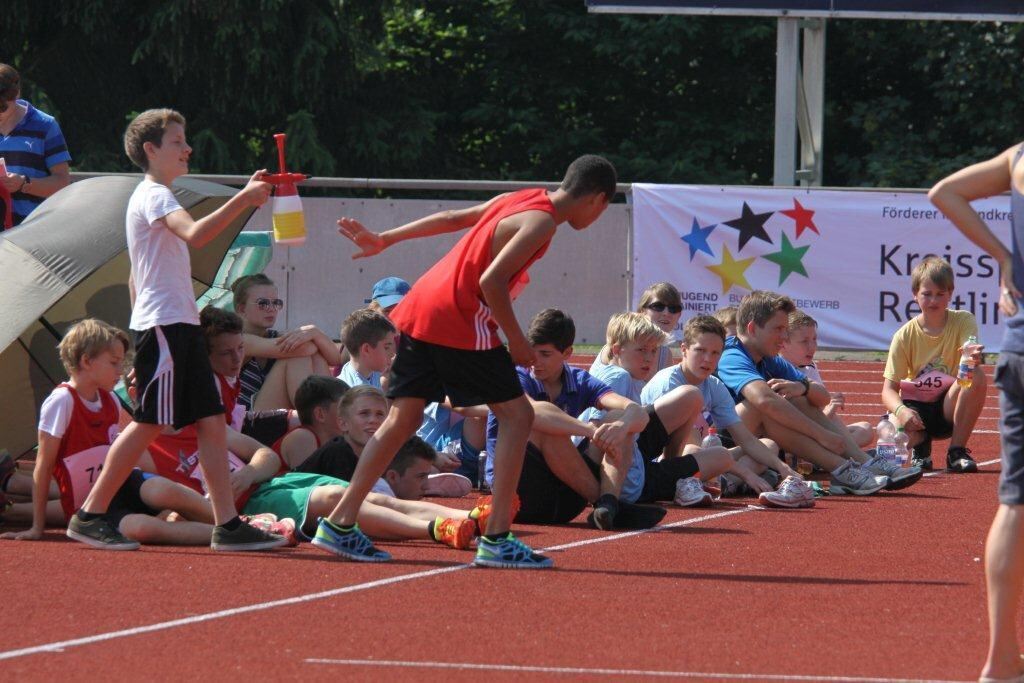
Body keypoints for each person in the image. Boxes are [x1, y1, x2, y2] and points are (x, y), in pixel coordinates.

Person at [313, 154, 617, 567]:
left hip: (422, 306)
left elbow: (457, 216)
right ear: (597, 200)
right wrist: (516, 342)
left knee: (401, 420)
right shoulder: (543, 221)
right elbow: (492, 281)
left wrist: (386, 238)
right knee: (517, 416)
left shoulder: (522, 198)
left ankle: (340, 523)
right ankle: (497, 539)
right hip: (457, 316)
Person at [68, 108, 283, 551]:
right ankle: (89, 515)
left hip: (173, 326)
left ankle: (227, 524)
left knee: (211, 423)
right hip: (166, 327)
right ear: (150, 150)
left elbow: (135, 277)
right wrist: (245, 197)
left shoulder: (154, 198)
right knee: (149, 423)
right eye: (176, 141)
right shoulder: (156, 196)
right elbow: (198, 235)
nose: (187, 148)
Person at [0, 319, 232, 546]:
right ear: (87, 361)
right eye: (114, 363)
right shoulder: (61, 402)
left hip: (122, 484)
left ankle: (234, 524)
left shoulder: (110, 400)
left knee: (165, 490)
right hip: (89, 504)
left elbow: (128, 454)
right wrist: (36, 527)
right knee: (140, 528)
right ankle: (220, 533)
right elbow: (44, 466)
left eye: (121, 362)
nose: (120, 370)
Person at [928, 148, 1024, 681]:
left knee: (1015, 502)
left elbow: (945, 193)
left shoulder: (1019, 157)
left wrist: (1006, 258)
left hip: (1020, 349)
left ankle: (1002, 659)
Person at [716, 290, 922, 494]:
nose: (784, 336)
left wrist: (803, 387)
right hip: (720, 440)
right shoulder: (731, 354)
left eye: (785, 329)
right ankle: (842, 468)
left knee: (797, 395)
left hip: (758, 440)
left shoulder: (768, 357)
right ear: (752, 328)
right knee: (764, 405)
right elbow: (764, 400)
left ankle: (863, 462)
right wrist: (821, 435)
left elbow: (823, 397)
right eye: (778, 329)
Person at [483, 308, 661, 529]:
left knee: (618, 419)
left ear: (567, 353)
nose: (534, 361)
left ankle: (608, 506)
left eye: (545, 354)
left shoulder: (579, 380)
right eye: (532, 351)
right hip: (518, 496)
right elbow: (533, 412)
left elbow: (638, 413)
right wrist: (589, 430)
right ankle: (608, 505)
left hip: (568, 497)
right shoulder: (516, 375)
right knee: (543, 428)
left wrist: (621, 427)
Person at [583, 312, 764, 509]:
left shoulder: (633, 377)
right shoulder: (619, 377)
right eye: (642, 350)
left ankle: (690, 479)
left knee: (724, 456)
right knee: (691, 407)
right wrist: (597, 490)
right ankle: (613, 500)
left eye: (653, 351)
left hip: (640, 470)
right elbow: (596, 433)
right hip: (632, 483)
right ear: (617, 350)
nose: (649, 358)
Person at [642, 315, 811, 508]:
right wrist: (746, 474)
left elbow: (745, 439)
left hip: (703, 457)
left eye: (715, 353)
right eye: (700, 351)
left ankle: (723, 483)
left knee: (768, 445)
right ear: (684, 349)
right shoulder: (669, 383)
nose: (708, 359)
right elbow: (688, 447)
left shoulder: (713, 385)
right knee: (697, 450)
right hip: (660, 462)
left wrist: (784, 468)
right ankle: (725, 480)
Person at [880, 257, 987, 472]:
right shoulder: (903, 335)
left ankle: (956, 451)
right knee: (887, 431)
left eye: (940, 294)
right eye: (926, 294)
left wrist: (972, 357)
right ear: (915, 295)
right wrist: (902, 412)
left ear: (950, 293)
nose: (933, 301)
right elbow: (888, 391)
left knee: (976, 374)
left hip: (949, 406)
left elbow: (970, 348)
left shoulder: (963, 321)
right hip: (916, 410)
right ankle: (919, 447)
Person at [232, 274, 342, 411]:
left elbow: (336, 359)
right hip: (246, 421)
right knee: (296, 355)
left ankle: (327, 413)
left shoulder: (274, 336)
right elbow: (304, 349)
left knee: (315, 356)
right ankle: (320, 415)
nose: (271, 308)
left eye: (276, 303)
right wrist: (312, 336)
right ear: (241, 309)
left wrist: (315, 332)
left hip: (268, 414)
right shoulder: (237, 340)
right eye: (263, 303)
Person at [780, 310, 872, 448]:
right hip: (792, 437)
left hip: (815, 433)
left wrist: (831, 406)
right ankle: (849, 455)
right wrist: (830, 410)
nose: (812, 346)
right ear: (783, 343)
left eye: (814, 339)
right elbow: (811, 421)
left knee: (865, 429)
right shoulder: (777, 370)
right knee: (834, 421)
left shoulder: (810, 366)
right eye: (804, 341)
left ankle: (842, 451)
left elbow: (820, 412)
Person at [0, 63, 71, 228]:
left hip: (32, 233)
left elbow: (62, 182)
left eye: (2, 107)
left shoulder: (45, 125)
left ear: (17, 94)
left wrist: (24, 184)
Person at [275, 375, 350, 469]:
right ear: (320, 414)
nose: (352, 413)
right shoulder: (303, 438)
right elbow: (307, 482)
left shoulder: (338, 444)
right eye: (345, 408)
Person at [337, 308, 396, 389]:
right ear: (366, 350)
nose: (393, 354)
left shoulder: (371, 371)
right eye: (386, 347)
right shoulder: (356, 394)